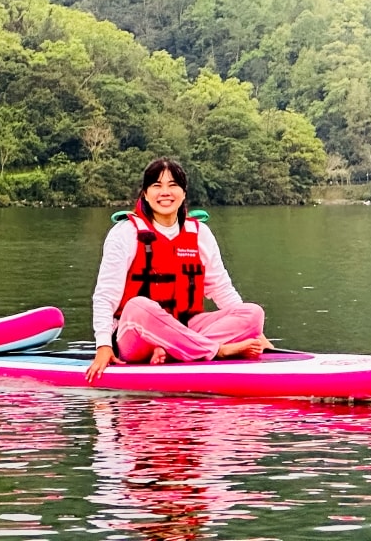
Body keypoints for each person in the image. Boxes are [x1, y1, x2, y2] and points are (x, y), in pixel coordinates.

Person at [85, 158, 270, 383]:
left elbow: (222, 289)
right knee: (139, 306)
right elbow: (105, 297)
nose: (165, 192)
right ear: (144, 193)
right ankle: (216, 350)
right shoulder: (124, 233)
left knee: (253, 313)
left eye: (173, 185)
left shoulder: (200, 233)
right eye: (157, 185)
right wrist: (103, 345)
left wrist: (255, 333)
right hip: (135, 337)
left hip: (185, 328)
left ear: (183, 193)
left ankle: (172, 352)